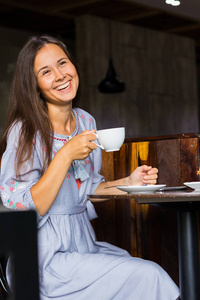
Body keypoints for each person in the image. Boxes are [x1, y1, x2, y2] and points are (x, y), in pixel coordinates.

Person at [0, 35, 180, 300]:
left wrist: (129, 182)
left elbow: (88, 187)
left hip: (83, 242)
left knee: (132, 270)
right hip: (42, 255)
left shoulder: (85, 120)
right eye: (46, 72)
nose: (60, 75)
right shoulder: (25, 130)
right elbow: (24, 208)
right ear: (34, 85)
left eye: (63, 63)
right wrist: (65, 155)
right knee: (147, 275)